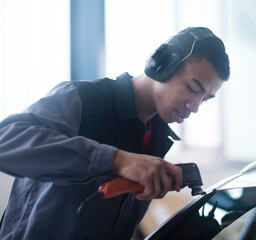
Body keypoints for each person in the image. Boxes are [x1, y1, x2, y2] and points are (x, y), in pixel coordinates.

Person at [0, 26, 230, 239]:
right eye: (192, 88)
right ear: (162, 65)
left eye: (206, 98)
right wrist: (116, 159)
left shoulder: (157, 139)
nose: (195, 107)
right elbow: (6, 141)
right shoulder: (84, 99)